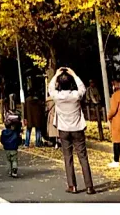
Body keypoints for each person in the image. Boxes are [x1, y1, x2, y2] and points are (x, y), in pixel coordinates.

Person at [49, 67, 95, 195]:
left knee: (68, 157)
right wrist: (74, 74)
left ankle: (72, 185)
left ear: (59, 84)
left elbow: (50, 88)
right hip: (77, 129)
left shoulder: (57, 97)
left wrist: (56, 75)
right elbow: (82, 88)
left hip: (63, 129)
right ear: (71, 84)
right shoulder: (76, 95)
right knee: (83, 157)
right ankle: (89, 186)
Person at [1, 108, 23, 177]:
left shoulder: (4, 133)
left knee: (8, 160)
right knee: (14, 160)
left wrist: (4, 144)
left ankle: (9, 171)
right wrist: (19, 143)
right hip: (14, 148)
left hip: (7, 148)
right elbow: (19, 140)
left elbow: (1, 140)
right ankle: (14, 170)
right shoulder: (15, 133)